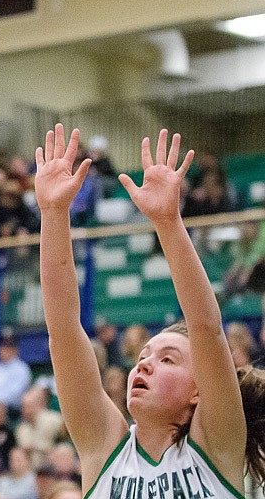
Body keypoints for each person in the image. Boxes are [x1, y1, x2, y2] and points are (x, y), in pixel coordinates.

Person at [34, 124, 265, 499]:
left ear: (198, 391)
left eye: (168, 360)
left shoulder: (216, 444)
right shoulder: (103, 447)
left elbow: (206, 327)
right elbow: (63, 329)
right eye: (143, 356)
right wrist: (54, 212)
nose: (143, 365)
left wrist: (168, 223)